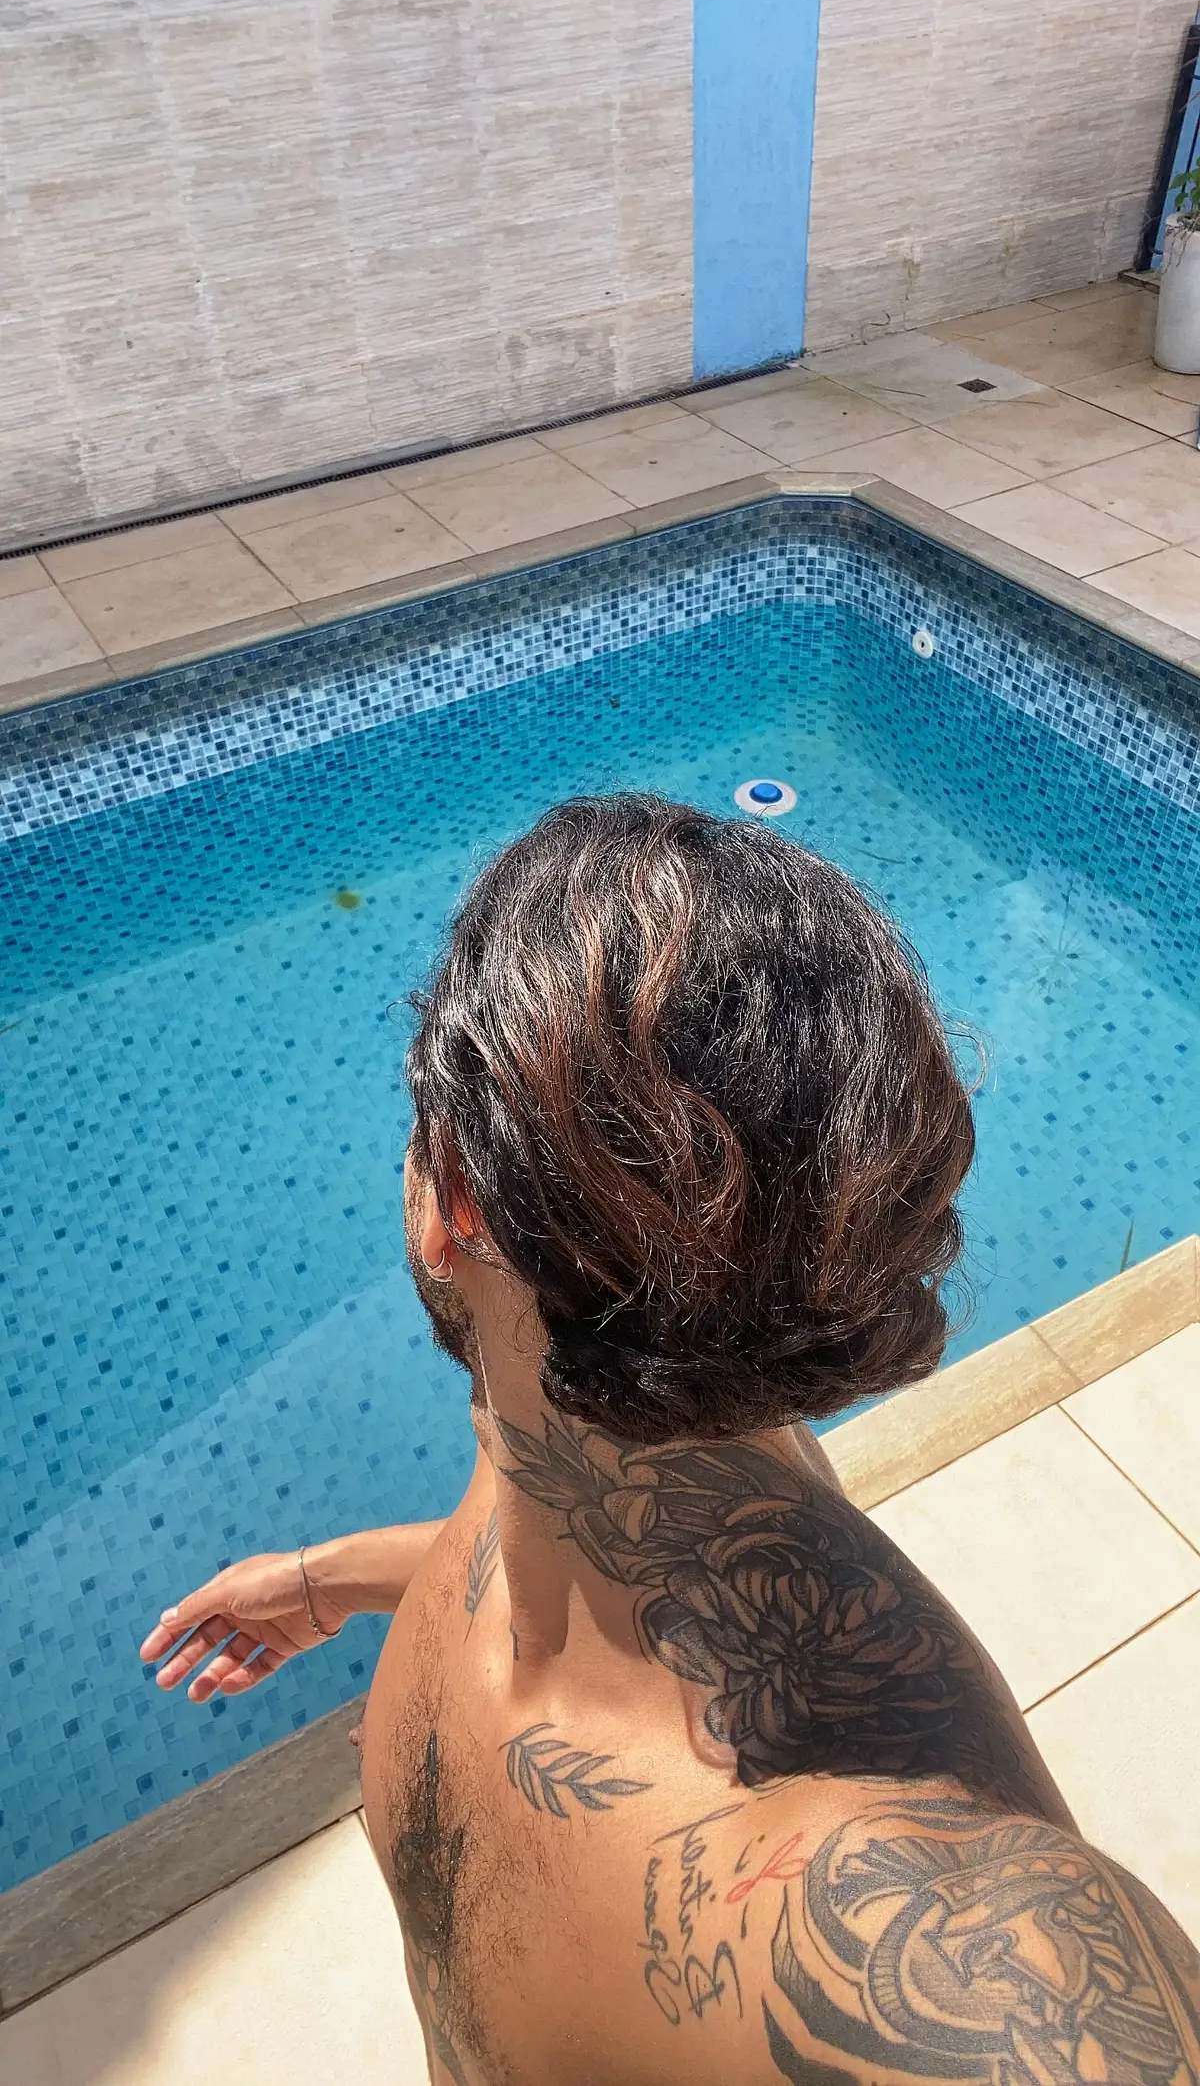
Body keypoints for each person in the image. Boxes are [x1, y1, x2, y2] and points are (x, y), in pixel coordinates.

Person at [141, 795, 1200, 2086]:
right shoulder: (582, 1415)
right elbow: (564, 1538)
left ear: (452, 1198)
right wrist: (330, 1581)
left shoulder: (943, 1942)